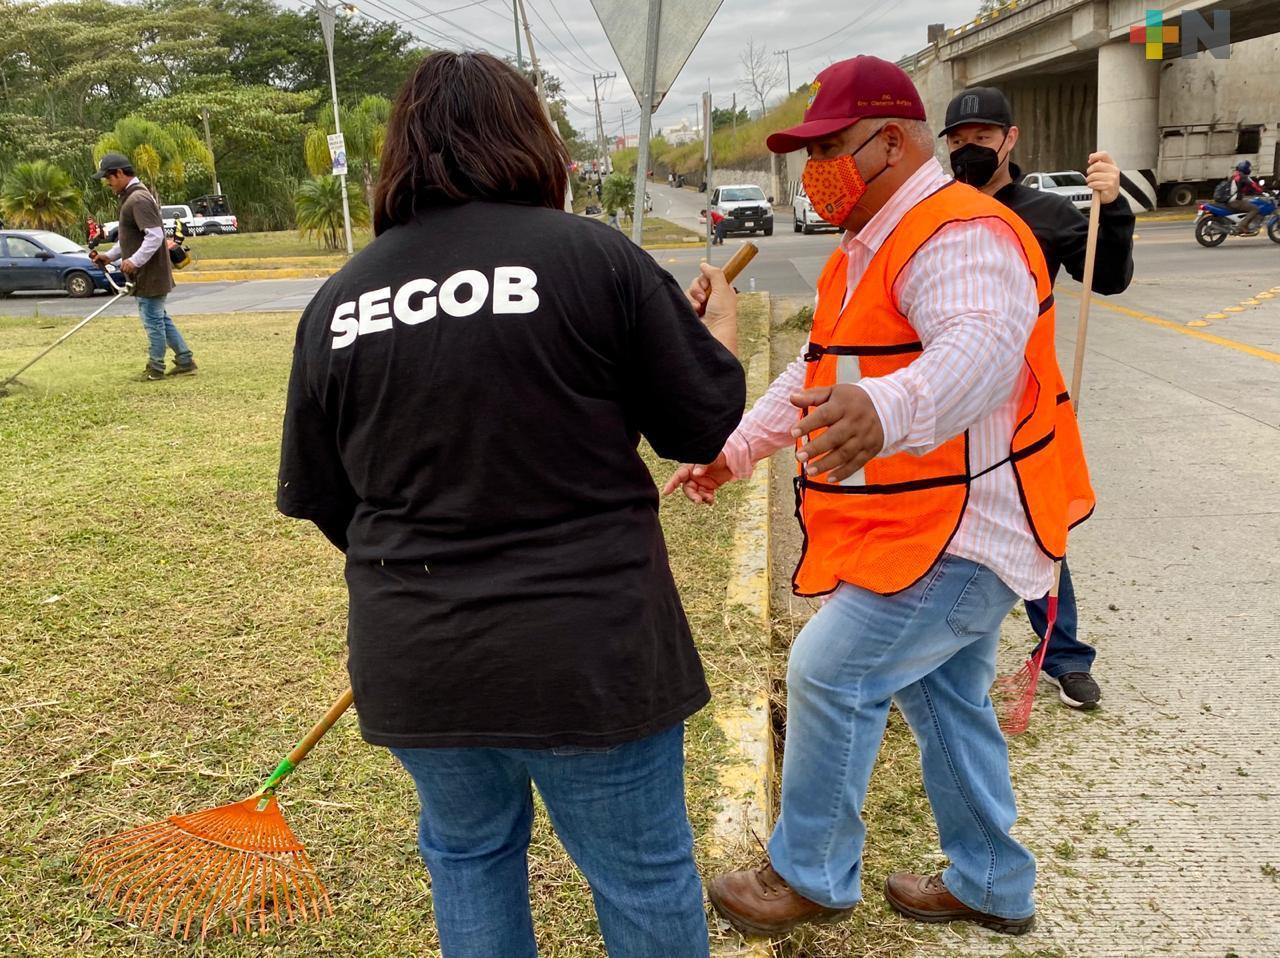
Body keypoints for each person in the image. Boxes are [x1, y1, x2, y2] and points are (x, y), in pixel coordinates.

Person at [276, 51, 745, 958]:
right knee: (642, 875)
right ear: (530, 142)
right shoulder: (594, 257)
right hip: (590, 656)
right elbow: (699, 424)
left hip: (420, 657)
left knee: (468, 857)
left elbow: (333, 502)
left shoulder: (339, 302)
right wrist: (713, 332)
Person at [668, 56, 1093, 938]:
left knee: (830, 669)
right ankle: (992, 883)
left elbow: (980, 349)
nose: (812, 173)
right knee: (944, 702)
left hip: (968, 528)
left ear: (889, 141)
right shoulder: (866, 247)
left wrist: (889, 408)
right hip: (926, 522)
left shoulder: (958, 232)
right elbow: (815, 372)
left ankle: (810, 875)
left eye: (828, 149)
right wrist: (735, 451)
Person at [941, 85, 1134, 711]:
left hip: (1022, 404)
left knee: (1037, 522)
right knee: (936, 524)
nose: (969, 149)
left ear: (1010, 139)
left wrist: (1116, 206)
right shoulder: (934, 209)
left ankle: (1061, 654)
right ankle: (925, 649)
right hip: (942, 397)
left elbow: (1107, 278)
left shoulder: (1045, 213)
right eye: (958, 140)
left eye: (981, 138)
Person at [89, 152, 196, 380]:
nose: (107, 183)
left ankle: (155, 368)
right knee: (160, 318)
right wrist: (110, 256)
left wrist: (134, 261)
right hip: (148, 273)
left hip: (150, 273)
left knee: (153, 321)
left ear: (119, 173)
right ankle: (185, 360)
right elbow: (130, 239)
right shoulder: (132, 197)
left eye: (108, 178)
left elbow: (155, 236)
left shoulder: (137, 199)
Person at [1228, 160, 1265, 234]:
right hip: (1236, 201)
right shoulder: (1243, 177)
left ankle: (1245, 224)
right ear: (1245, 168)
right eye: (1248, 168)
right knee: (1255, 209)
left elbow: (1243, 188)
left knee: (1249, 202)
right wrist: (1263, 191)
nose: (1249, 169)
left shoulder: (1234, 175)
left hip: (1230, 199)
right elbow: (1254, 185)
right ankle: (1242, 225)